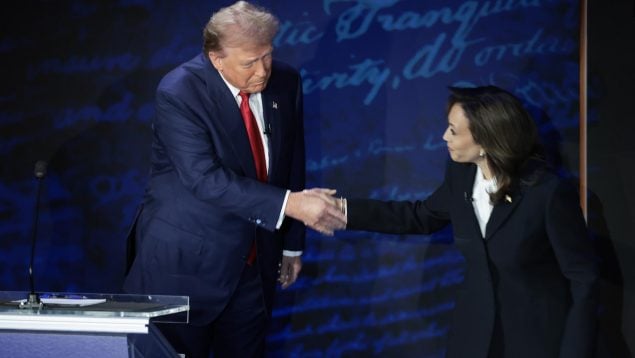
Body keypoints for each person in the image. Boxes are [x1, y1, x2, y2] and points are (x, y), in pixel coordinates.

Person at [123, 2, 346, 357]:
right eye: (248, 63)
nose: (262, 71)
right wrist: (292, 204)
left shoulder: (285, 81)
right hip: (186, 268)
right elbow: (204, 178)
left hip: (255, 266)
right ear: (216, 59)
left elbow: (290, 160)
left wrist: (290, 244)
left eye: (267, 56)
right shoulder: (180, 91)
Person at [324, 86, 598, 357]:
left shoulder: (547, 193)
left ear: (488, 141)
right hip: (473, 338)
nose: (445, 137)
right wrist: (340, 210)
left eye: (454, 131)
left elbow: (583, 279)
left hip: (534, 340)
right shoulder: (461, 175)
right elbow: (419, 217)